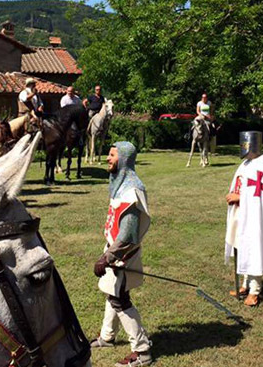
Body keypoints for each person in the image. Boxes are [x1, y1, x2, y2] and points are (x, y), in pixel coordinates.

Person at [90, 142, 152, 367]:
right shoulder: (120, 184)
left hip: (123, 253)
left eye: (112, 155)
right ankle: (107, 336)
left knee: (119, 298)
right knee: (112, 291)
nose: (108, 158)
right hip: (113, 249)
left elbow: (127, 235)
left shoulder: (132, 191)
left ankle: (142, 351)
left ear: (124, 159)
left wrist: (107, 257)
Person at [224, 131, 263, 307]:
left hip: (255, 216)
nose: (243, 147)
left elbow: (259, 196)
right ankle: (245, 285)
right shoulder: (246, 164)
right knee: (242, 247)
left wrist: (239, 197)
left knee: (253, 247)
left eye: (246, 144)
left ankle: (255, 291)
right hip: (241, 214)